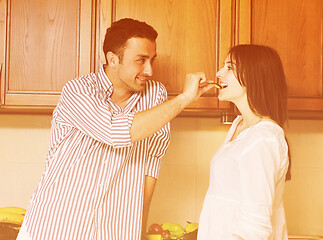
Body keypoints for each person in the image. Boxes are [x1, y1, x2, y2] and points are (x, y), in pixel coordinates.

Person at [17, 18, 214, 240]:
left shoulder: (155, 95)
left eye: (152, 60)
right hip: (56, 227)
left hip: (115, 229)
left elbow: (151, 163)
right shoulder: (78, 90)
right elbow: (113, 132)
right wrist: (185, 98)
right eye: (141, 60)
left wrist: (139, 227)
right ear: (113, 59)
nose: (149, 70)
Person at [197, 44, 291, 240]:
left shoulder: (263, 138)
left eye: (229, 67)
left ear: (253, 76)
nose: (219, 73)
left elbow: (255, 227)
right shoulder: (240, 125)